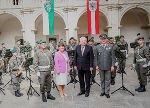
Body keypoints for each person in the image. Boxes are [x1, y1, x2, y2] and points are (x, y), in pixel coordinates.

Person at [95, 34, 115, 98]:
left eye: (104, 39)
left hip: (108, 66)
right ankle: (102, 91)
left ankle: (107, 92)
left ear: (107, 39)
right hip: (100, 66)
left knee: (108, 80)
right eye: (102, 39)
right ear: (100, 40)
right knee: (102, 79)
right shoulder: (97, 47)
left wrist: (112, 65)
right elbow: (96, 57)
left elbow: (113, 57)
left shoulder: (111, 46)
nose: (103, 40)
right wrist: (96, 65)